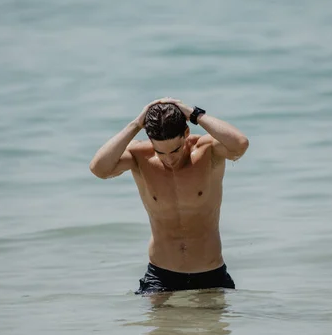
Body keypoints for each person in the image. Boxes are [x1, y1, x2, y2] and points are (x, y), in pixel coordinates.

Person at [89, 97, 249, 294]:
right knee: (159, 326)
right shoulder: (141, 156)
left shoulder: (207, 151)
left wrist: (194, 113)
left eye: (175, 150)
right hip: (161, 275)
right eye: (161, 152)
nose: (169, 159)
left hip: (210, 273)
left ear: (186, 133)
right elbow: (99, 169)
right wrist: (136, 124)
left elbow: (240, 144)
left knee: (215, 326)